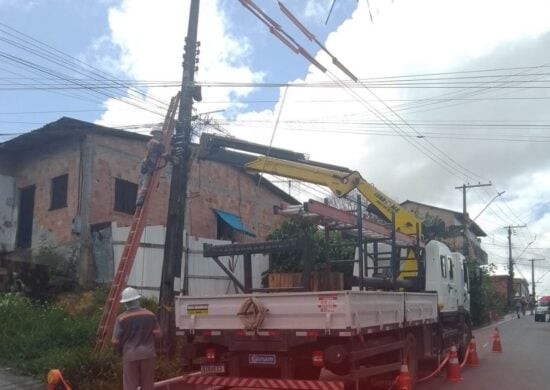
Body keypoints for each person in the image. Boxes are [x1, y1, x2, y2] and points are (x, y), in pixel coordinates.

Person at [111, 287, 160, 390]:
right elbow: (158, 335)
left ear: (125, 303)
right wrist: (154, 348)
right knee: (148, 386)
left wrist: (120, 352)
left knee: (130, 386)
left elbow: (115, 341)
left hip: (130, 355)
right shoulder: (150, 315)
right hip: (148, 354)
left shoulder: (121, 318)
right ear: (137, 300)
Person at [136, 128, 167, 206]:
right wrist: (170, 157)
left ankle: (139, 198)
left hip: (145, 165)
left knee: (143, 182)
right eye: (159, 134)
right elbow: (163, 152)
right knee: (146, 184)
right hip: (150, 165)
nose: (160, 136)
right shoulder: (156, 143)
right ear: (157, 134)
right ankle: (140, 199)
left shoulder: (150, 142)